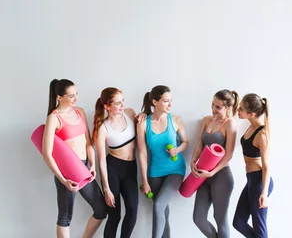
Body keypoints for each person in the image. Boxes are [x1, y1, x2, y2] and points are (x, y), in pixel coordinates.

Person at [41, 79, 107, 238]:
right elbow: (47, 154)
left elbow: (88, 142)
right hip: (67, 172)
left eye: (76, 94)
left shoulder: (80, 112)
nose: (75, 99)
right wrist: (63, 180)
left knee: (101, 210)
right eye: (71, 96)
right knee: (65, 217)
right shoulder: (53, 118)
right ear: (59, 97)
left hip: (84, 167)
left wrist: (92, 164)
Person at [137, 85, 189, 238]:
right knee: (163, 212)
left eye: (171, 100)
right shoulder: (143, 123)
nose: (170, 105)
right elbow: (142, 153)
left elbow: (186, 142)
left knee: (159, 206)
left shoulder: (176, 120)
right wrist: (145, 181)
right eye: (166, 101)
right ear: (155, 102)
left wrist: (177, 150)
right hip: (155, 173)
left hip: (175, 170)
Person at [190, 89, 239, 238]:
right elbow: (200, 143)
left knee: (220, 219)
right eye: (212, 105)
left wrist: (212, 172)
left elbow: (229, 153)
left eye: (218, 107)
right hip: (203, 175)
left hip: (221, 176)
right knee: (198, 218)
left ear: (228, 108)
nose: (213, 109)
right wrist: (193, 161)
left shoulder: (230, 124)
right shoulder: (207, 120)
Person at [92, 87, 140, 238]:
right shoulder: (102, 128)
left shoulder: (130, 114)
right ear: (107, 106)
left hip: (131, 168)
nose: (122, 105)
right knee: (115, 215)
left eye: (122, 101)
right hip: (112, 169)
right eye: (117, 103)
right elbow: (101, 161)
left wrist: (143, 117)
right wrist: (106, 189)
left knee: (132, 210)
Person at [232, 93, 275, 238]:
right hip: (251, 180)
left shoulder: (262, 134)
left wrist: (264, 193)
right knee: (238, 222)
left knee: (260, 228)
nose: (238, 110)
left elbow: (267, 166)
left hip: (259, 181)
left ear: (251, 114)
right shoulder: (250, 126)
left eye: (241, 109)